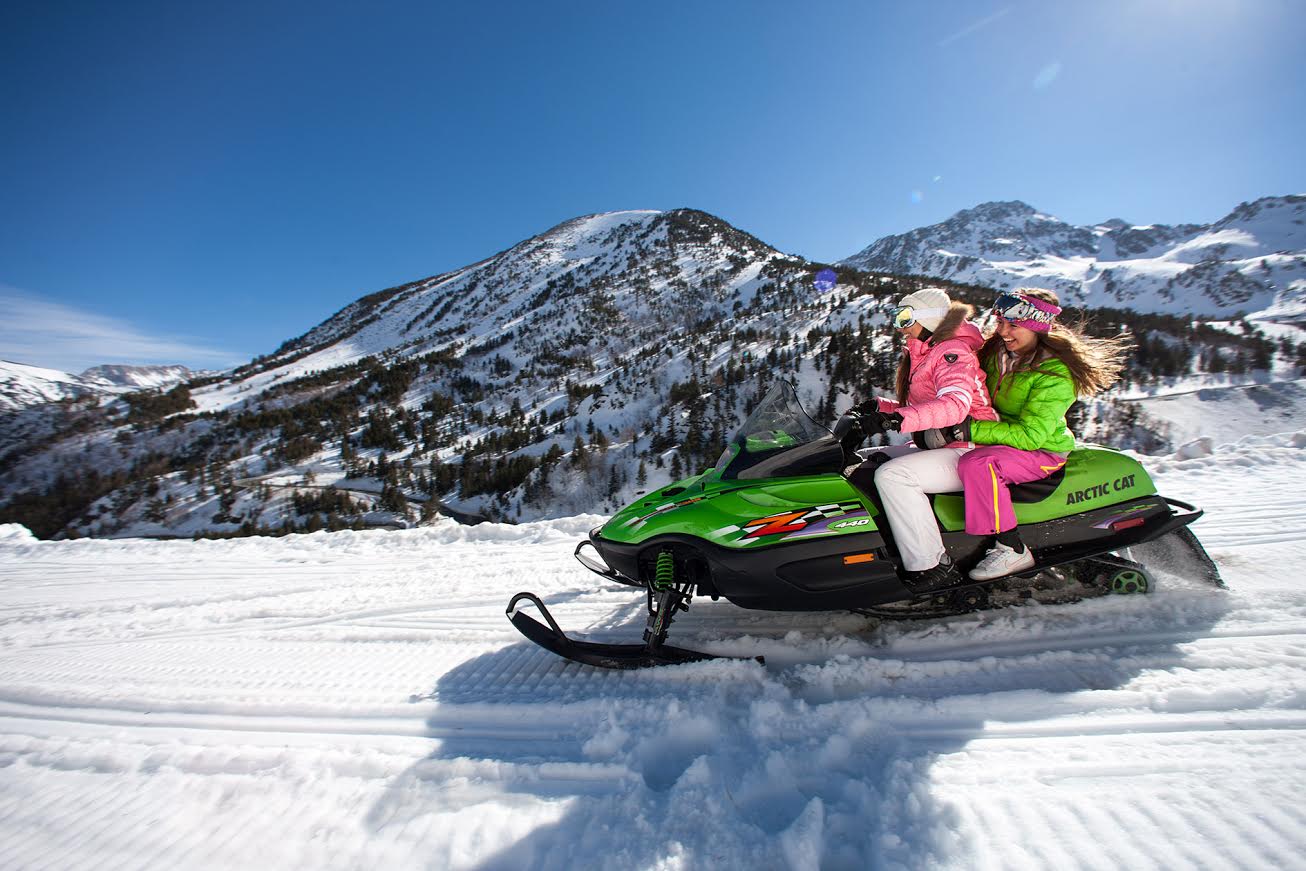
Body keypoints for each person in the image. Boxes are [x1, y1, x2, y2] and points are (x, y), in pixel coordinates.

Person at [960, 288, 1131, 580]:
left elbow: (1031, 437)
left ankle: (1011, 548)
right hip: (1001, 438)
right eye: (1000, 321)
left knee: (978, 464)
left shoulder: (1054, 373)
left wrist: (968, 430)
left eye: (1013, 325)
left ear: (1037, 326)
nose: (1002, 331)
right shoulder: (996, 354)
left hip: (1040, 452)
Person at [848, 287, 997, 591]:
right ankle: (886, 544)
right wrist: (880, 407)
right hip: (941, 442)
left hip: (971, 447)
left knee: (894, 477)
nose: (899, 326)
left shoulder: (952, 352)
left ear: (929, 319)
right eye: (896, 317)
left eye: (904, 317)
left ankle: (931, 566)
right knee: (870, 461)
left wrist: (897, 419)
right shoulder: (927, 351)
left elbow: (955, 405)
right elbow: (924, 406)